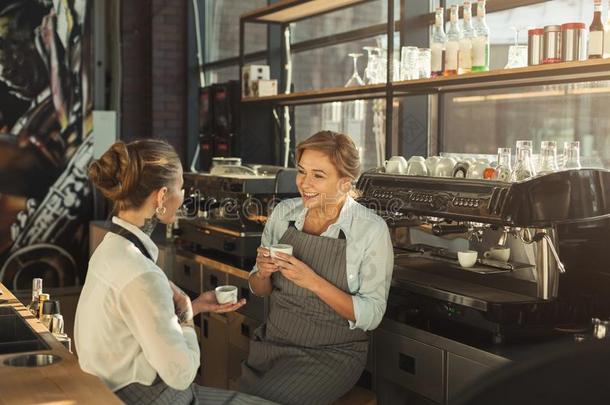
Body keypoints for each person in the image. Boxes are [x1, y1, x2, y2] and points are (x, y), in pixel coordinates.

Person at [74, 140, 276, 405]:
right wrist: (186, 318)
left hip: (107, 392)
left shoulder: (110, 249)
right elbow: (180, 375)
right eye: (181, 186)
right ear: (161, 197)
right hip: (149, 398)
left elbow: (132, 326)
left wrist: (194, 306)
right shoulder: (142, 273)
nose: (184, 194)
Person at [239, 131, 394, 405]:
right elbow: (258, 289)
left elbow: (372, 315)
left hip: (332, 355)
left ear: (345, 183)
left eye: (318, 175)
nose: (304, 184)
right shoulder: (283, 214)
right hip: (273, 346)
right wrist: (262, 273)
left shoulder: (370, 229)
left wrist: (312, 281)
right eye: (301, 172)